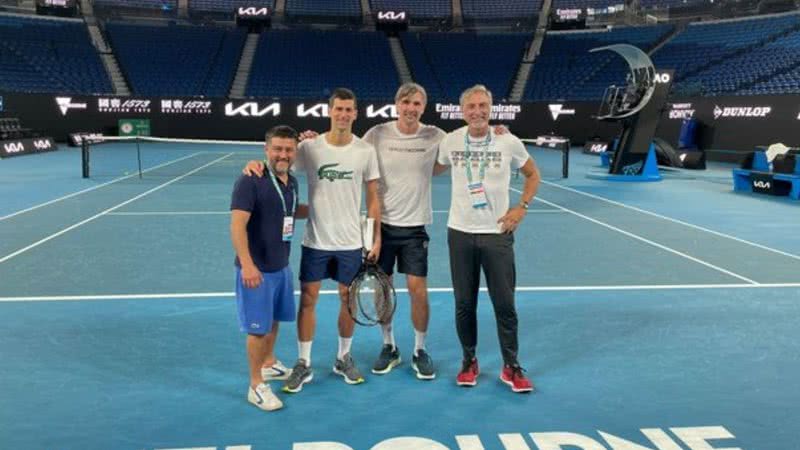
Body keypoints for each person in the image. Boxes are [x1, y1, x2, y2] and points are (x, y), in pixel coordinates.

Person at [433, 84, 540, 393]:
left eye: (483, 105)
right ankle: (469, 361)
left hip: (498, 233)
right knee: (464, 304)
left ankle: (512, 365)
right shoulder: (451, 141)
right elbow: (434, 168)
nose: (477, 111)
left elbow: (533, 174)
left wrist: (521, 207)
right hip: (460, 233)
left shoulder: (509, 141)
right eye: (471, 107)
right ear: (462, 110)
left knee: (504, 304)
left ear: (491, 108)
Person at [279, 88, 381, 393]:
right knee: (308, 300)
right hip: (316, 241)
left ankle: (343, 357)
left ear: (355, 114)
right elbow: (280, 167)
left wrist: (374, 238)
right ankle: (304, 363)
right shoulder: (310, 148)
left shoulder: (365, 151)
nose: (344, 114)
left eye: (349, 110)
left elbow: (373, 198)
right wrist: (256, 166)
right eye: (339, 109)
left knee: (347, 302)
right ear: (329, 111)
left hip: (351, 242)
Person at [230, 125, 308, 411]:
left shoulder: (293, 182)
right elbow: (237, 225)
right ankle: (255, 385)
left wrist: (327, 209)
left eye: (288, 149)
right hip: (257, 271)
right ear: (266, 149)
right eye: (277, 148)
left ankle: (269, 363)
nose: (283, 154)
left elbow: (292, 210)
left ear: (295, 151)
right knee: (258, 329)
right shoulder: (251, 180)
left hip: (280, 266)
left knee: (274, 321)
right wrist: (248, 265)